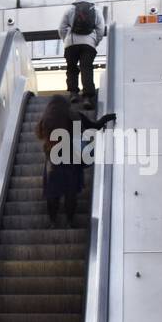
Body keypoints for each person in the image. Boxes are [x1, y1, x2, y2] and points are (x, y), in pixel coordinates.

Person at [36, 95, 115, 227]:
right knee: (70, 191)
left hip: (53, 163)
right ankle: (69, 221)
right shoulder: (74, 116)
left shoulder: (45, 121)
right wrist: (106, 118)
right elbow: (95, 126)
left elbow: (39, 135)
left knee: (53, 192)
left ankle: (53, 221)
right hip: (72, 160)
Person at [58, 0, 106, 104]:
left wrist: (66, 39)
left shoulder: (70, 9)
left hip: (71, 43)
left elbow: (61, 28)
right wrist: (95, 41)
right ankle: (87, 97)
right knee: (87, 68)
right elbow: (101, 29)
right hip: (88, 44)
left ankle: (73, 93)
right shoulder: (96, 9)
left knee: (72, 68)